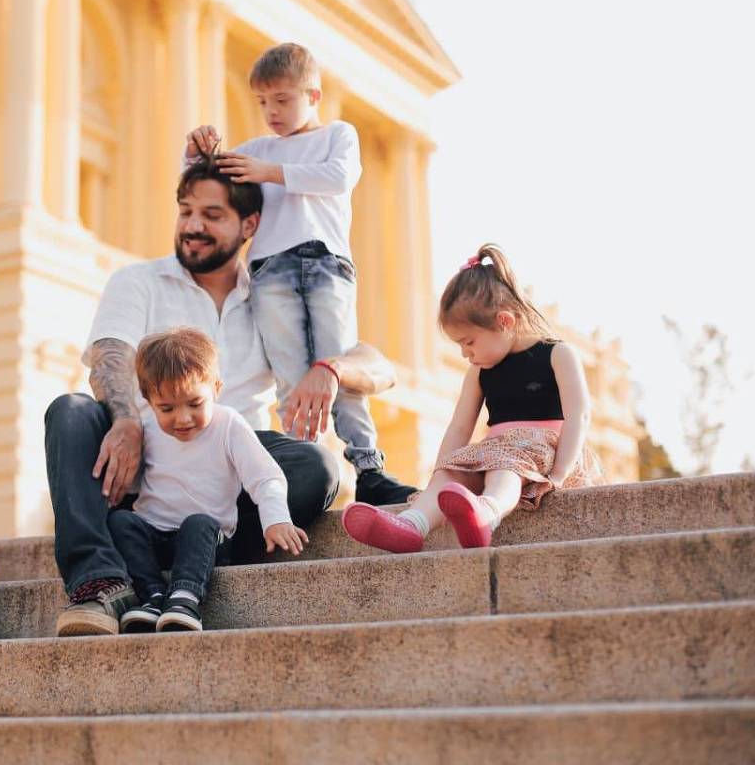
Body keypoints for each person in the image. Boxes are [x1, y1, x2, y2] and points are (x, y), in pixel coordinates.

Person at [46, 156, 401, 637]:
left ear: (249, 225)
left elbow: (380, 367)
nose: (192, 226)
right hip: (147, 448)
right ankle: (99, 582)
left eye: (211, 216)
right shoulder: (137, 281)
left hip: (231, 459)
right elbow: (111, 355)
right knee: (70, 413)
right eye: (185, 211)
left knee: (317, 467)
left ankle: (211, 550)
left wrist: (331, 368)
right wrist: (128, 421)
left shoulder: (274, 294)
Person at [184, 42, 414, 507]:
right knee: (291, 377)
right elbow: (204, 186)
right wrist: (195, 154)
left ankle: (369, 469)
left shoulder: (337, 135)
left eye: (283, 101)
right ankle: (304, 467)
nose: (271, 112)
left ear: (313, 95)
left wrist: (268, 172)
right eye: (263, 103)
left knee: (339, 367)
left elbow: (338, 176)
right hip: (270, 272)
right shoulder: (256, 150)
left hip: (328, 265)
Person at [341, 244, 603, 553]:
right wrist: (441, 472)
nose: (466, 353)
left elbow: (579, 415)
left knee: (503, 469)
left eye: (469, 342)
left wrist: (559, 473)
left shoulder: (558, 353)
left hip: (547, 450)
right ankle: (411, 524)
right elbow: (459, 428)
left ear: (504, 322)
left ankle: (486, 514)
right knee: (453, 474)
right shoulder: (479, 371)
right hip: (496, 450)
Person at [108, 327, 307, 633]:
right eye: (167, 408)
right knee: (121, 522)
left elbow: (265, 477)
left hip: (207, 541)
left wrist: (276, 518)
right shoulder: (145, 429)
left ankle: (185, 598)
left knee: (198, 523)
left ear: (216, 388)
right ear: (147, 400)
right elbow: (134, 483)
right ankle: (152, 595)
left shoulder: (228, 425)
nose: (182, 418)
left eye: (195, 404)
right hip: (155, 535)